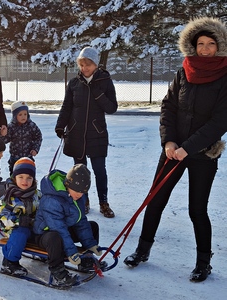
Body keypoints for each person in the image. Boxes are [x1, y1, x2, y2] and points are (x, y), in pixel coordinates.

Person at [123, 17, 227, 283]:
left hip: (203, 153)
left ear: (219, 46)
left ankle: (203, 262)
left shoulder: (224, 77)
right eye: (200, 43)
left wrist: (188, 148)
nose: (204, 49)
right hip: (173, 150)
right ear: (192, 46)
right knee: (155, 200)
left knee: (197, 209)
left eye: (210, 44)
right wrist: (169, 142)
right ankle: (142, 250)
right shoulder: (184, 71)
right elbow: (168, 107)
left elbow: (220, 121)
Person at [55, 46, 118, 217]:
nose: (84, 68)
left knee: (99, 170)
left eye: (88, 65)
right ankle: (84, 201)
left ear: (96, 64)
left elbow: (112, 107)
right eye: (82, 65)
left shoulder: (105, 81)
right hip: (76, 133)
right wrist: (61, 125)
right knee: (80, 171)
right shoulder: (74, 83)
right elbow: (67, 106)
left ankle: (104, 202)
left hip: (97, 133)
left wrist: (98, 95)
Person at [33, 164, 103, 287]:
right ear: (68, 184)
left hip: (63, 229)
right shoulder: (52, 199)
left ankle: (86, 260)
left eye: (83, 192)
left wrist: (90, 244)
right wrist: (71, 251)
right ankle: (58, 272)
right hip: (45, 234)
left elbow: (80, 221)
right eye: (77, 191)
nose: (80, 195)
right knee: (55, 237)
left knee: (92, 226)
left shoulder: (76, 196)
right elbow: (58, 228)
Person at [0, 157, 41, 276]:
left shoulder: (37, 194)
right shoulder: (8, 197)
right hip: (14, 229)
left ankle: (47, 254)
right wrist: (18, 221)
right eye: (20, 177)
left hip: (33, 226)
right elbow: (2, 218)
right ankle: (9, 262)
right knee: (21, 233)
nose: (24, 181)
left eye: (29, 178)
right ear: (14, 177)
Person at [1, 101, 42, 175]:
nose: (23, 117)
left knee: (29, 175)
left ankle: (30, 186)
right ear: (14, 116)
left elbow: (38, 137)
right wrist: (3, 135)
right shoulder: (11, 127)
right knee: (15, 176)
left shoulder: (31, 126)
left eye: (25, 114)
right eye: (20, 114)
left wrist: (35, 149)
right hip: (15, 158)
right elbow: (5, 140)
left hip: (28, 157)